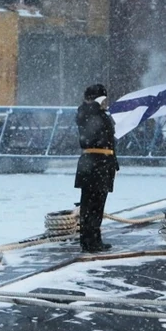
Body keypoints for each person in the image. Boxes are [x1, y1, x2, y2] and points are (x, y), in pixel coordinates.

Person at [74, 83, 118, 253]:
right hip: (94, 162)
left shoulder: (99, 114)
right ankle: (89, 240)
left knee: (97, 204)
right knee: (91, 204)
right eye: (103, 99)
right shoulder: (88, 112)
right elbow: (84, 116)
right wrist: (94, 104)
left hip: (101, 163)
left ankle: (94, 237)